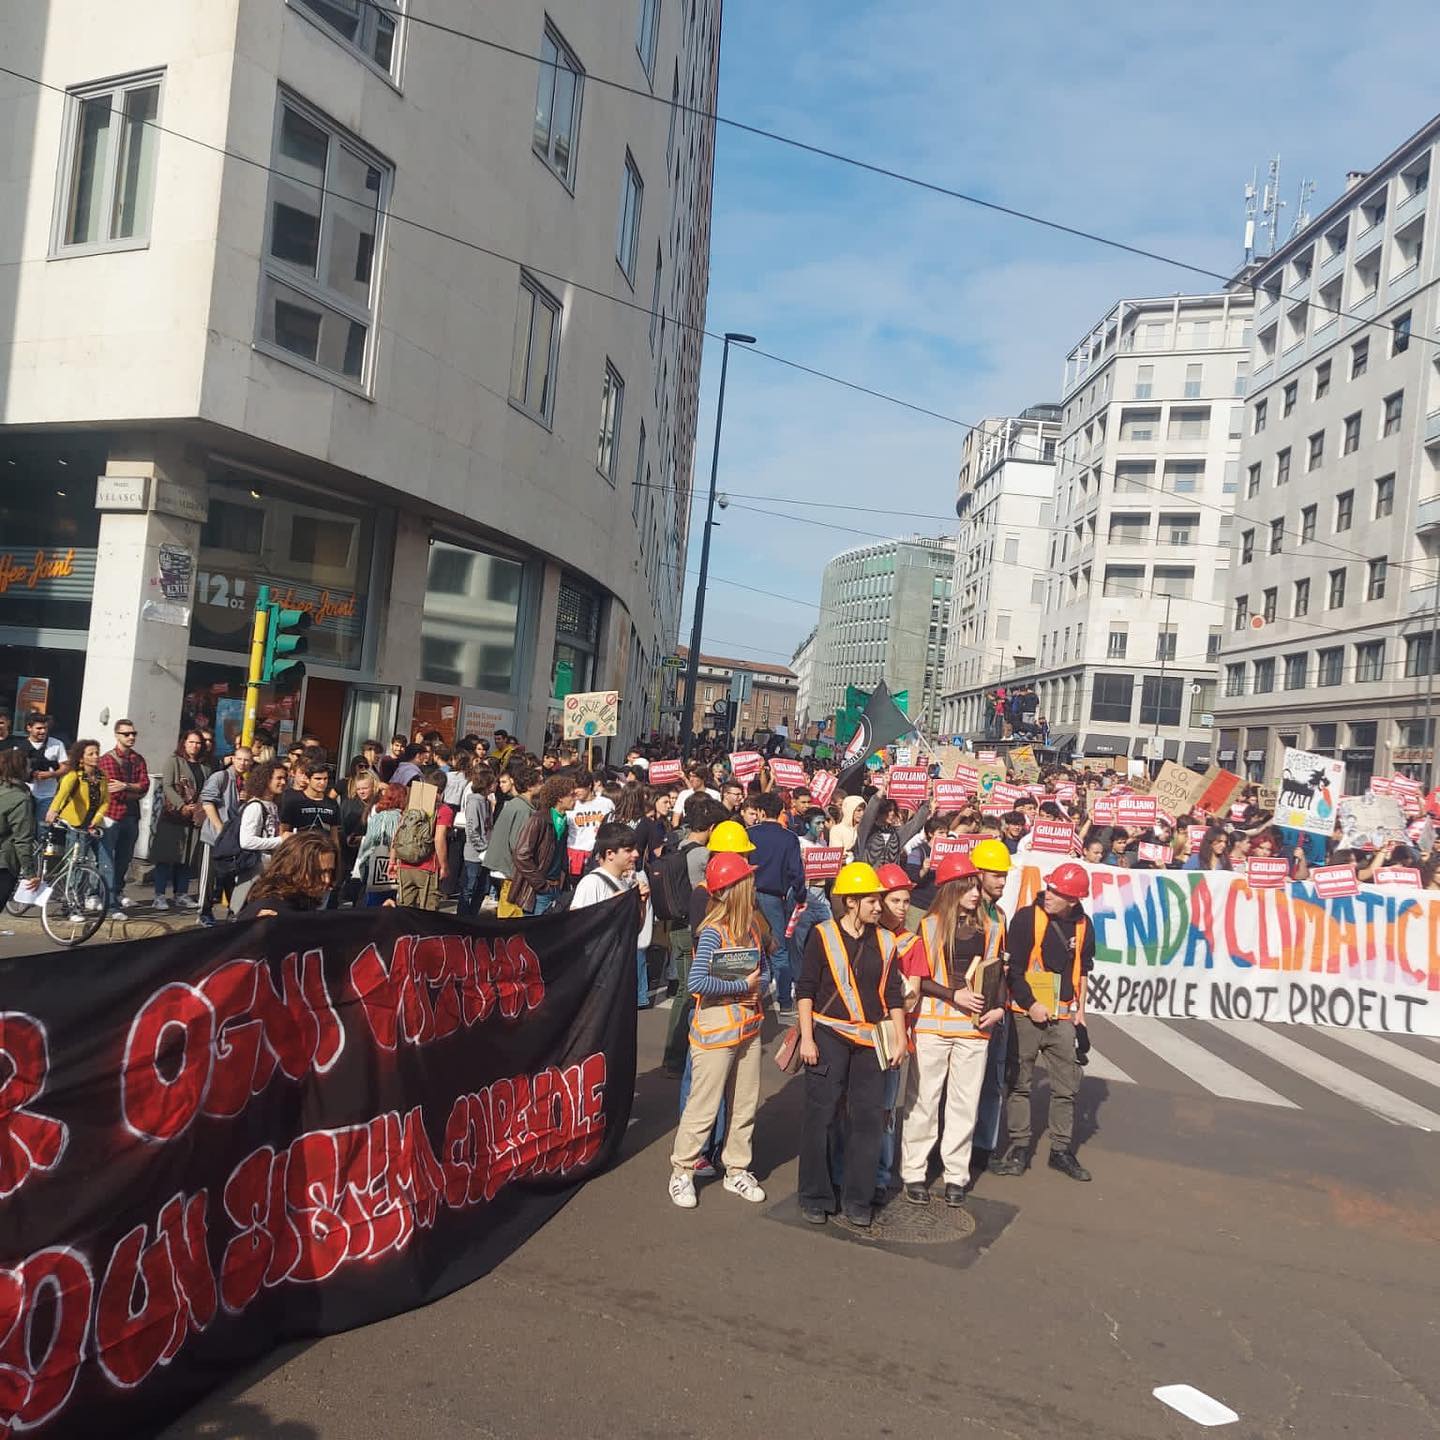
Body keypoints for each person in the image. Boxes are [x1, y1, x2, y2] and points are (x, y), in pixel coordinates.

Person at [795, 862, 907, 1228]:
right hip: (828, 1035)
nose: (879, 907)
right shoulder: (822, 935)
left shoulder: (887, 942)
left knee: (868, 1119)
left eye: (879, 900)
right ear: (851, 902)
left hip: (871, 1039)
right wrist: (807, 1038)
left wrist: (900, 1037)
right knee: (822, 1116)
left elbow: (893, 995)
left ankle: (857, 1199)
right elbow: (806, 989)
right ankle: (815, 1195)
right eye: (872, 901)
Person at [899, 854, 1007, 1206]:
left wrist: (998, 1008)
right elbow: (920, 978)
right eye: (969, 886)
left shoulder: (992, 927)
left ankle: (955, 1176)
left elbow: (999, 974)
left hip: (975, 1029)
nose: (977, 893)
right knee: (923, 1101)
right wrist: (953, 994)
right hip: (933, 1025)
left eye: (978, 886)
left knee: (964, 1103)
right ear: (951, 889)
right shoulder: (929, 926)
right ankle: (914, 1171)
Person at [667, 851, 770, 1210]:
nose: (754, 883)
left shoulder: (753, 926)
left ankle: (737, 1168)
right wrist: (743, 986)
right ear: (733, 888)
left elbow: (765, 968)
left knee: (744, 1105)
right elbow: (696, 981)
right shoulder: (712, 931)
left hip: (748, 1028)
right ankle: (682, 1172)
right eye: (748, 879)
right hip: (716, 1030)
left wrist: (761, 984)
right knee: (703, 1105)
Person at [991, 862, 1095, 1183]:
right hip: (1026, 1015)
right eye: (1049, 888)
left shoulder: (1083, 925)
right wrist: (1031, 1004)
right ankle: (1020, 1147)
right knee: (1019, 1081)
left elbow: (1084, 968)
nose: (1048, 894)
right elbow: (1014, 970)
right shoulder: (1026, 918)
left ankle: (1060, 1150)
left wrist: (1081, 1014)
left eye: (1056, 892)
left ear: (1073, 900)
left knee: (1067, 1087)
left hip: (1062, 1017)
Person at [660, 798, 728, 1074]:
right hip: (694, 928)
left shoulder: (677, 844)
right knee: (689, 993)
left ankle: (676, 1056)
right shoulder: (703, 857)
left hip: (677, 925)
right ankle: (676, 1057)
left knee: (685, 990)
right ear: (711, 828)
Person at [571, 822, 655, 1007]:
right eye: (628, 850)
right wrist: (611, 906)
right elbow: (575, 926)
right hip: (597, 974)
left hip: (619, 970)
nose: (636, 854)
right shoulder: (591, 883)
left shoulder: (626, 883)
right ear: (610, 854)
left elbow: (635, 929)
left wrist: (640, 904)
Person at [969, 837, 1013, 1173]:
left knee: (992, 1079)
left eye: (1004, 876)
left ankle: (983, 1145)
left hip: (994, 1006)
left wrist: (1001, 1005)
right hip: (965, 1006)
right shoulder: (962, 911)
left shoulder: (1000, 914)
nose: (1001, 881)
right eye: (996, 875)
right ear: (979, 873)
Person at [746, 790, 806, 1019]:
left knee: (749, 944)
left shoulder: (749, 833)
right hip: (774, 898)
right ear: (779, 812)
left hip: (748, 895)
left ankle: (748, 994)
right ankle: (784, 999)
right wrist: (800, 897)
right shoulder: (789, 838)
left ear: (760, 812)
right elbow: (796, 873)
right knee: (778, 949)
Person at [198, 743, 253, 926]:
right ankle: (203, 912)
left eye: (247, 760)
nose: (243, 763)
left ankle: (234, 912)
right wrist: (219, 827)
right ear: (233, 759)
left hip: (231, 840)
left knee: (229, 876)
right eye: (240, 759)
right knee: (209, 877)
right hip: (215, 837)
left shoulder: (243, 783)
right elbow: (207, 802)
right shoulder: (221, 776)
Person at [153, 730, 209, 909]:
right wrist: (181, 805)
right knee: (166, 857)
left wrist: (200, 809)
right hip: (174, 817)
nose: (195, 746)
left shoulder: (205, 766)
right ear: (184, 743)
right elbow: (167, 786)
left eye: (198, 743)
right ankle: (159, 895)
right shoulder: (174, 761)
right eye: (191, 742)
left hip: (194, 818)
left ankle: (181, 893)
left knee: (187, 858)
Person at [97, 718, 149, 909]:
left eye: (133, 733)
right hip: (112, 814)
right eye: (126, 734)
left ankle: (117, 891)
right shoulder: (107, 759)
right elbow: (113, 790)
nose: (131, 737)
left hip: (132, 815)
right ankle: (102, 895)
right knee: (106, 858)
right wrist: (133, 791)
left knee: (125, 857)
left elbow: (145, 785)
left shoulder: (138, 759)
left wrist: (127, 786)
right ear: (116, 735)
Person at [509, 774, 579, 914]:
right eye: (571, 795)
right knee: (534, 934)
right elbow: (521, 855)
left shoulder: (563, 821)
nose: (575, 799)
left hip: (556, 888)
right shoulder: (539, 820)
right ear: (560, 798)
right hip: (539, 892)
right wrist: (541, 884)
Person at [228, 760, 291, 914]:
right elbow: (246, 841)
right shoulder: (255, 807)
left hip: (267, 868)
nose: (283, 782)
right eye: (279, 778)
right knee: (244, 909)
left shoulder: (273, 806)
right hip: (254, 868)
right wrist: (280, 840)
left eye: (285, 779)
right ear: (266, 779)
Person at [234, 832, 340, 921]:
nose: (327, 880)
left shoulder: (302, 900)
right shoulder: (271, 911)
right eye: (317, 872)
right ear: (293, 868)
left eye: (330, 871)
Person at [488, 765, 541, 917]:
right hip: (511, 869)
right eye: (540, 782)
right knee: (510, 907)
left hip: (509, 867)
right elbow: (518, 843)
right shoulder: (522, 809)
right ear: (530, 786)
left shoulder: (518, 805)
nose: (542, 786)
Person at [5, 712, 68, 833]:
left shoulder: (57, 744)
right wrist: (29, 774)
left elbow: (65, 767)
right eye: (39, 728)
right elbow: (14, 770)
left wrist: (52, 774)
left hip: (48, 795)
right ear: (29, 728)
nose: (43, 731)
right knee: (23, 828)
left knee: (43, 829)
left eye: (45, 728)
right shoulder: (19, 746)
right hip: (25, 794)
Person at [0, 749, 37, 910]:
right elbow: (22, 839)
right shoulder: (20, 799)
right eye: (28, 767)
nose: (30, 771)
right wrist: (30, 873)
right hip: (4, 863)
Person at [458, 761, 496, 917]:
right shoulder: (474, 802)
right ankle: (463, 917)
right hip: (474, 855)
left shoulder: (486, 802)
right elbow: (472, 830)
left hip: (485, 853)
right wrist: (482, 848)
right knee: (469, 888)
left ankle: (473, 915)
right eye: (494, 783)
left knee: (481, 888)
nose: (496, 785)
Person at [564, 771, 614, 878]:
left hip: (597, 853)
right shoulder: (571, 804)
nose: (575, 791)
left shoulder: (606, 803)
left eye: (579, 788)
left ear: (589, 786)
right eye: (574, 788)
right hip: (575, 853)